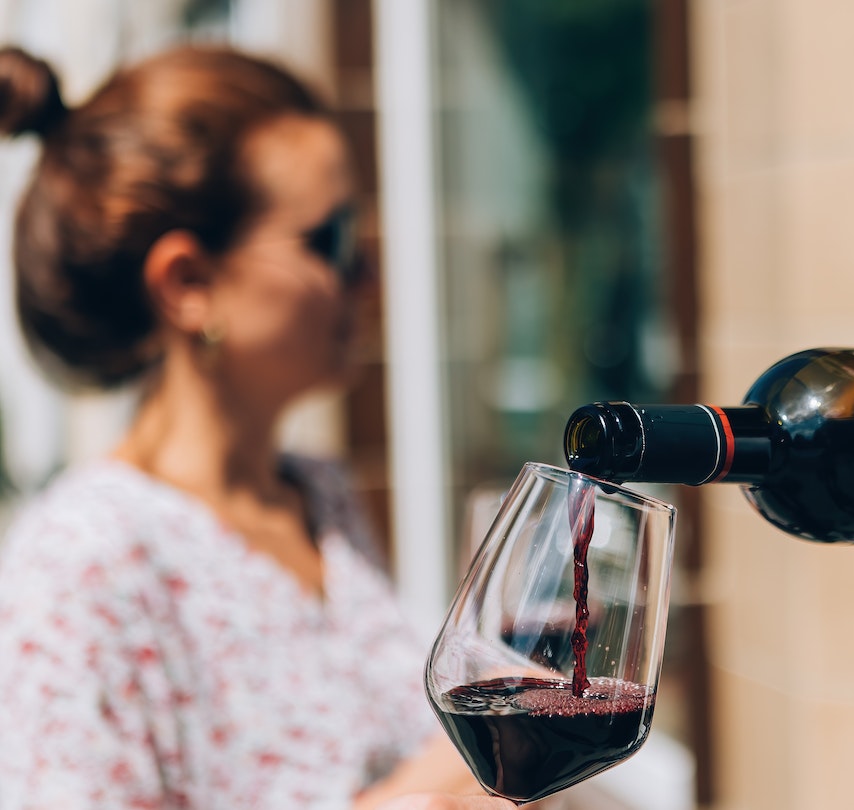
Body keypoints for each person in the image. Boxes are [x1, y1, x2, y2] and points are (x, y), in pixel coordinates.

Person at [0, 46, 514, 810]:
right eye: (331, 241)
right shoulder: (83, 564)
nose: (369, 277)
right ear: (190, 284)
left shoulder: (317, 495)